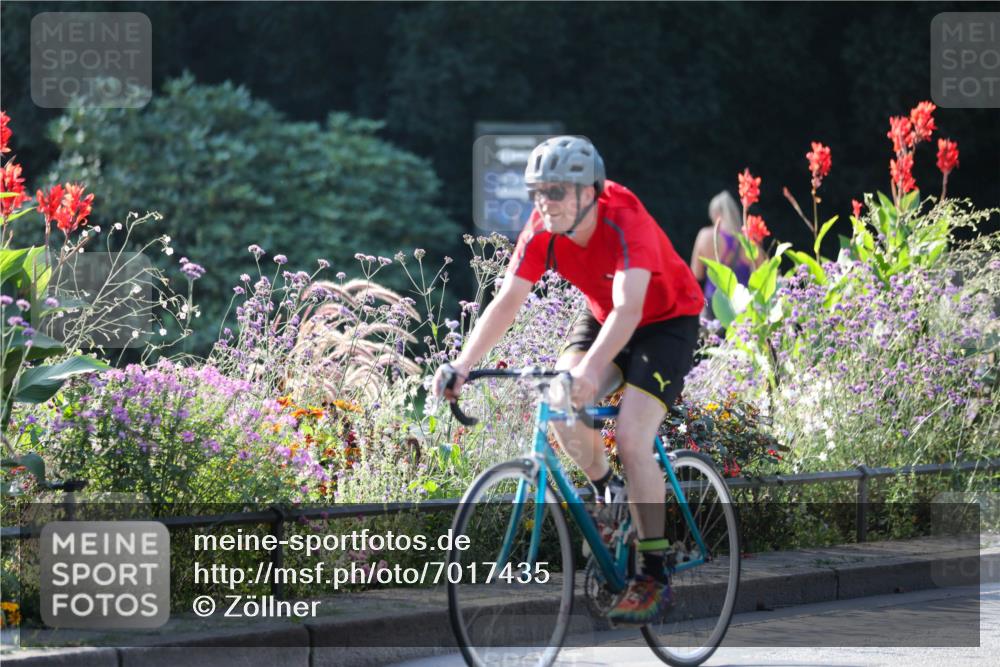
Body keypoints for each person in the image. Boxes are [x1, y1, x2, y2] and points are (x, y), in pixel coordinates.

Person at [432, 136, 704, 625]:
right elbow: (507, 301)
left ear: (590, 192)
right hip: (604, 317)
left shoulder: (625, 218)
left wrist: (591, 371)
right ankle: (609, 490)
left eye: (557, 192)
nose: (545, 203)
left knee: (632, 434)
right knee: (559, 397)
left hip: (664, 321)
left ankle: (654, 571)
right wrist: (464, 363)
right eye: (538, 192)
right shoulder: (542, 228)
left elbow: (630, 309)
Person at [689, 190, 764, 319]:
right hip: (744, 311)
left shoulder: (705, 236)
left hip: (713, 308)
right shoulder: (749, 241)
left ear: (715, 214)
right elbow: (763, 274)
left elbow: (696, 274)